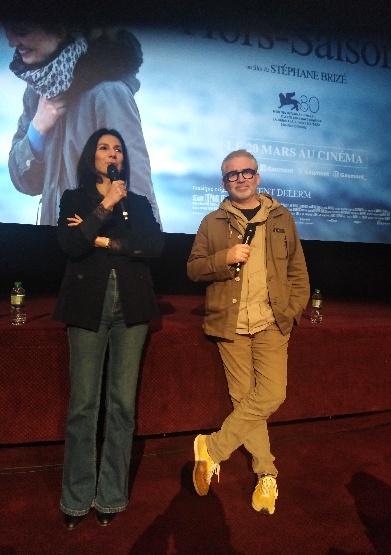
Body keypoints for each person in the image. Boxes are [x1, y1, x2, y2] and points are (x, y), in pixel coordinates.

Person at [187, 149, 310, 515]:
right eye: (231, 175)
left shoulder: (282, 218)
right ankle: (266, 472)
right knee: (245, 400)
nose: (240, 179)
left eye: (246, 172)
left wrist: (293, 310)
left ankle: (211, 448)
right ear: (223, 182)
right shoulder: (212, 223)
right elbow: (193, 269)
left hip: (272, 321)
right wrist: (222, 259)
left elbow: (297, 271)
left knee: (272, 394)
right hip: (231, 325)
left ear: (257, 177)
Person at [52, 128, 164, 530]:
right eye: (104, 148)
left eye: (118, 148)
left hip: (131, 306)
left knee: (122, 405)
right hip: (87, 304)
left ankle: (112, 495)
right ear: (92, 157)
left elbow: (152, 246)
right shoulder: (74, 198)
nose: (112, 153)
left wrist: (103, 241)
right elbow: (70, 243)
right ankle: (77, 497)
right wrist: (104, 207)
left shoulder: (138, 202)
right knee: (83, 405)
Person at [5, 9, 160, 225]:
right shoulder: (37, 93)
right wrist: (37, 130)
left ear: (60, 30)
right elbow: (24, 182)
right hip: (55, 247)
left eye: (22, 31)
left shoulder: (109, 94)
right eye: (7, 31)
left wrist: (145, 253)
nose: (12, 42)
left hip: (96, 252)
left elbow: (137, 190)